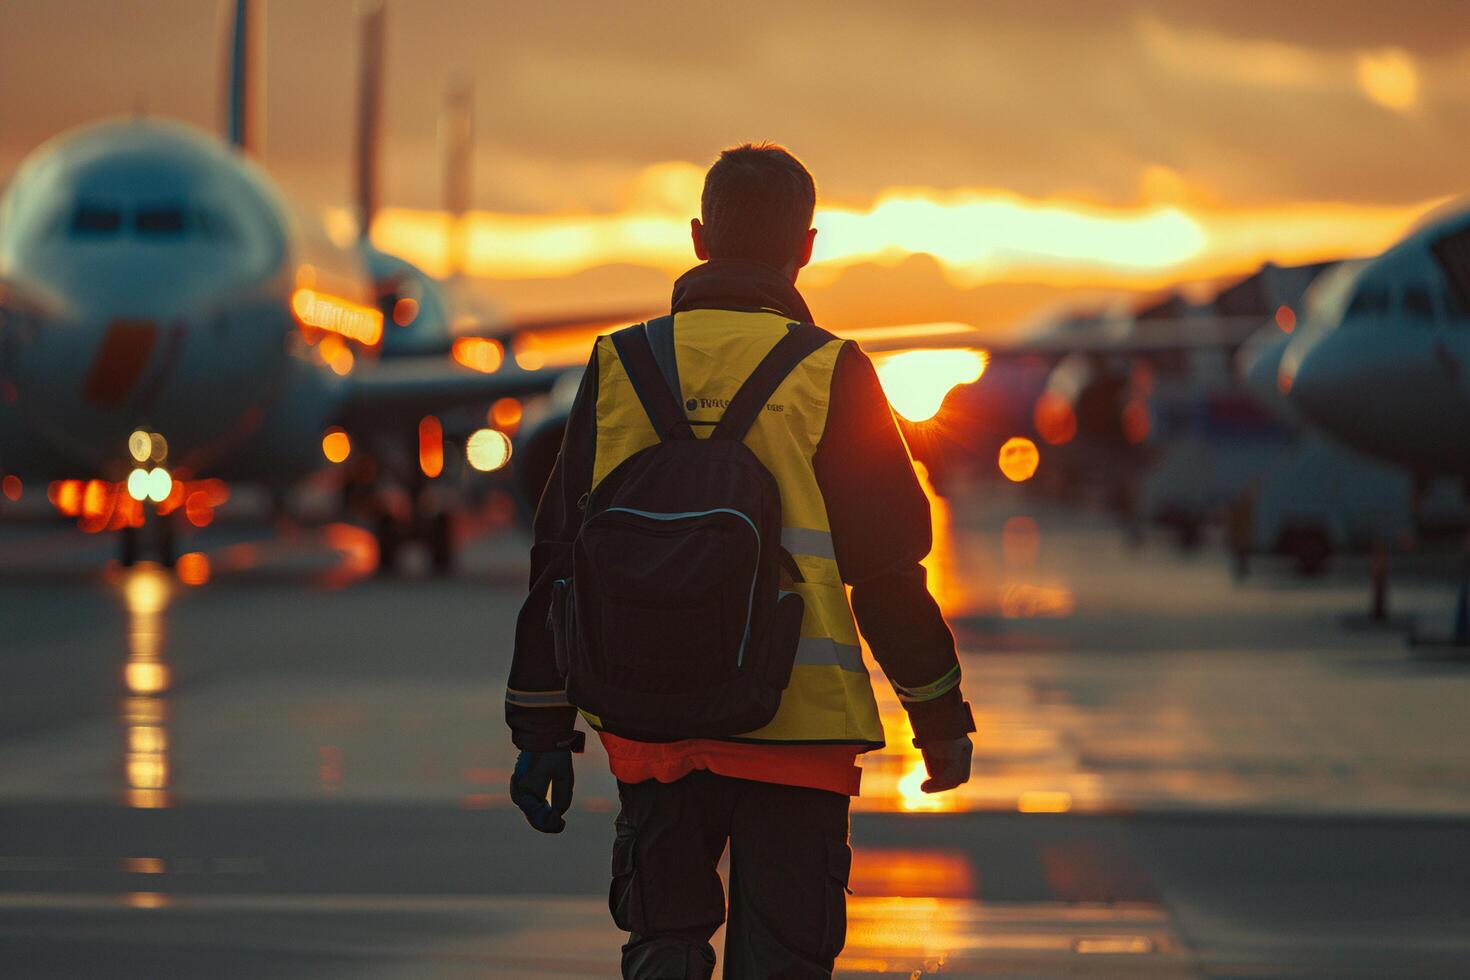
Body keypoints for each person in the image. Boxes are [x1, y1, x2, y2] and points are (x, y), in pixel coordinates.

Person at [506, 142, 975, 979]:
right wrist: (936, 712)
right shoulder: (832, 370)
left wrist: (541, 728)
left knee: (664, 947)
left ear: (697, 238)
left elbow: (557, 557)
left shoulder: (619, 364)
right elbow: (889, 572)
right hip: (798, 734)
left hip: (651, 718)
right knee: (785, 960)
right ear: (806, 246)